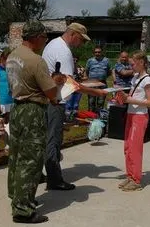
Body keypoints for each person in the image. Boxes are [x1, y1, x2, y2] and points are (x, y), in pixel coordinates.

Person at [42, 22, 107, 191]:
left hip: (48, 98)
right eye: (81, 40)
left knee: (47, 138)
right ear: (73, 35)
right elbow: (71, 84)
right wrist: (96, 92)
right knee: (53, 140)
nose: (82, 44)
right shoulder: (64, 51)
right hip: (56, 101)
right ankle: (54, 179)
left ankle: (42, 173)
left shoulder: (52, 44)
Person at [6, 20, 57, 224]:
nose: (45, 41)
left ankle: (16, 195)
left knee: (16, 156)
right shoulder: (37, 60)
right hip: (32, 111)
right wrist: (56, 83)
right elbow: (50, 91)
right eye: (44, 38)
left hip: (17, 108)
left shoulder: (12, 56)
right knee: (32, 159)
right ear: (36, 37)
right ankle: (22, 209)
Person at [117, 51, 150, 192]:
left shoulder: (147, 80)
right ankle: (130, 175)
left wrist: (130, 100)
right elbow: (133, 97)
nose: (131, 66)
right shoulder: (135, 78)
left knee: (135, 149)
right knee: (127, 147)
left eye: (133, 64)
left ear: (141, 63)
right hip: (131, 114)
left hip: (139, 117)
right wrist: (123, 97)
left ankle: (136, 180)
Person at [85, 46, 111, 113]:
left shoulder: (106, 60)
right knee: (91, 101)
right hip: (92, 84)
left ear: (101, 52)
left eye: (99, 52)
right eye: (96, 52)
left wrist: (102, 76)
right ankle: (91, 116)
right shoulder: (90, 60)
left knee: (101, 102)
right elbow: (87, 71)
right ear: (93, 53)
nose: (97, 53)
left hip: (102, 83)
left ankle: (99, 117)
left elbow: (109, 71)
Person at [65, 55, 85, 121]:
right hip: (69, 88)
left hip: (78, 88)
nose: (74, 61)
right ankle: (67, 118)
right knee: (68, 104)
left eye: (76, 60)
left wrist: (81, 77)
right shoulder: (67, 68)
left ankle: (74, 118)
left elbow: (85, 77)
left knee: (76, 104)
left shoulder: (81, 68)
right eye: (73, 60)